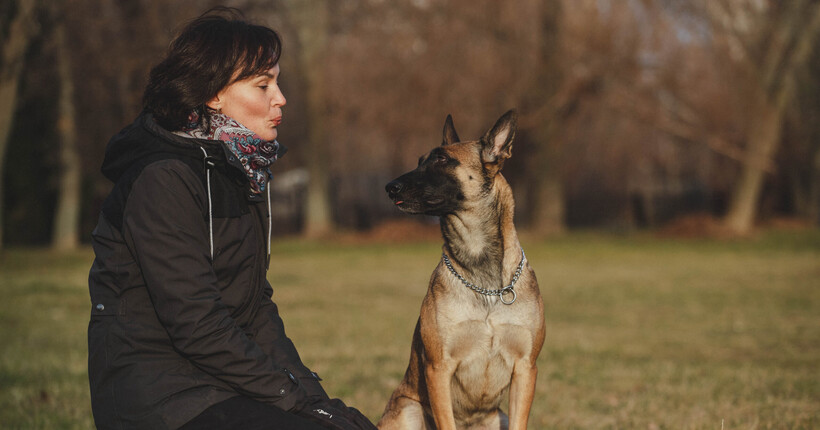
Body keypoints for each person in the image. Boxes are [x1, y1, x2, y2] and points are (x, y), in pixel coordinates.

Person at [87, 8, 377, 430]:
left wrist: (313, 398)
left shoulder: (241, 170)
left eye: (277, 82)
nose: (280, 98)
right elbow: (196, 323)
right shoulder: (162, 178)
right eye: (263, 85)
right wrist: (288, 398)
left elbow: (254, 306)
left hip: (221, 385)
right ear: (213, 95)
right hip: (159, 396)